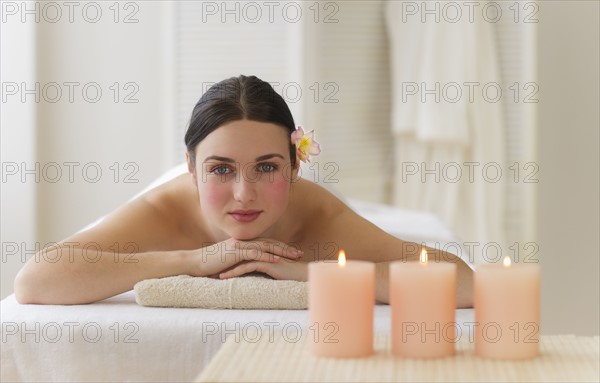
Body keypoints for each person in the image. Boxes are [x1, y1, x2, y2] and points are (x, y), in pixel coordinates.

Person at [14, 75, 473, 306]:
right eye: (220, 170)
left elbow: (463, 279)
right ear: (191, 167)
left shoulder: (319, 217)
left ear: (295, 166)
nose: (244, 195)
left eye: (267, 168)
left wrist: (319, 275)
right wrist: (194, 261)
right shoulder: (163, 212)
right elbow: (36, 279)